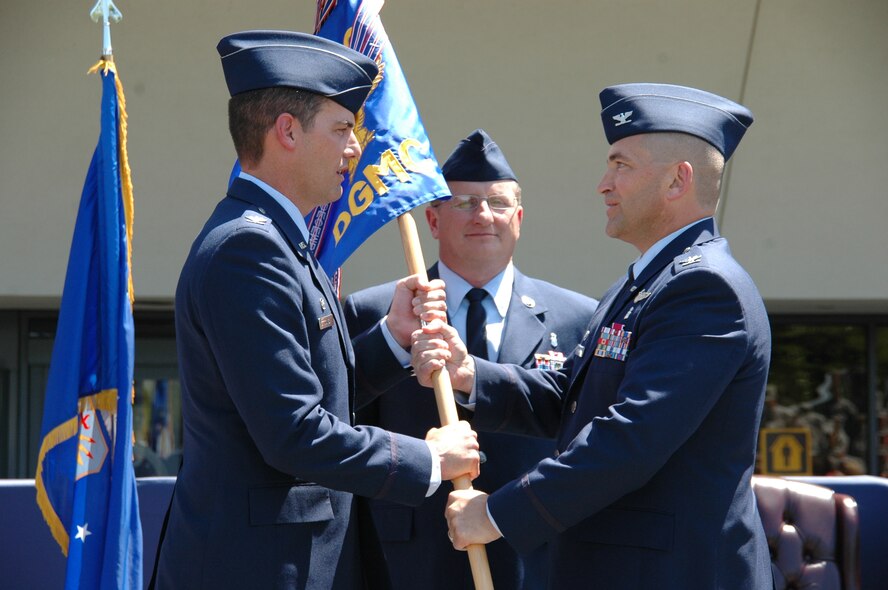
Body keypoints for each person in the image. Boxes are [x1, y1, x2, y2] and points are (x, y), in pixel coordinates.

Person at [153, 30, 480, 590]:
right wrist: (425, 458)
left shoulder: (277, 239)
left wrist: (390, 341)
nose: (354, 148)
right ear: (286, 130)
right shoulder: (248, 250)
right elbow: (293, 432)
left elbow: (307, 389)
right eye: (342, 129)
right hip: (256, 566)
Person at [412, 83, 773, 589]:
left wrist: (495, 514)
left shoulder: (703, 288)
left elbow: (631, 438)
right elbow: (575, 398)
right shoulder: (644, 283)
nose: (604, 185)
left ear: (678, 180)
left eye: (621, 165)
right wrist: (469, 373)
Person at [343, 129, 598, 589]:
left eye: (498, 203)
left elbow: (586, 442)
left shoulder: (578, 316)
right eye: (463, 203)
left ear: (518, 218)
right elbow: (343, 420)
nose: (483, 214)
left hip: (533, 553)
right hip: (407, 558)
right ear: (433, 220)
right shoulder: (376, 311)